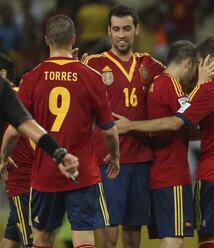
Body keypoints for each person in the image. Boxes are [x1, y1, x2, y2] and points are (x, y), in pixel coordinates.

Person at [115, 35, 214, 248]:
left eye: (201, 60)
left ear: (209, 60)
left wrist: (131, 126)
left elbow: (177, 122)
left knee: (207, 236)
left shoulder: (208, 91)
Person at [1, 14, 120, 248]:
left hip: (45, 173)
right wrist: (115, 155)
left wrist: (3, 157)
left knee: (43, 239)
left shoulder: (31, 78)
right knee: (84, 237)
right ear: (74, 39)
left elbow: (15, 130)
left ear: (46, 40)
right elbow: (109, 129)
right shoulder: (91, 77)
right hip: (82, 171)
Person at [83, 5, 164, 248]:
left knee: (133, 231)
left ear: (136, 30)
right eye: (116, 29)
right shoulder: (93, 64)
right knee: (108, 230)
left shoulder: (151, 65)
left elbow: (177, 83)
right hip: (106, 161)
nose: (121, 35)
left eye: (127, 29)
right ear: (108, 31)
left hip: (140, 159)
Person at [143, 40, 198, 248]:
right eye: (195, 69)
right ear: (188, 63)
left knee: (170, 235)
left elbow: (178, 128)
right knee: (174, 237)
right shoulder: (172, 84)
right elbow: (191, 119)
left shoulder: (156, 83)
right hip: (172, 174)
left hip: (158, 172)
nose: (193, 76)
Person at [0, 53, 34, 248]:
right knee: (11, 240)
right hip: (34, 174)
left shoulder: (6, 97)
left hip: (22, 178)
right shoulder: (27, 94)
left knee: (32, 242)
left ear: (3, 74)